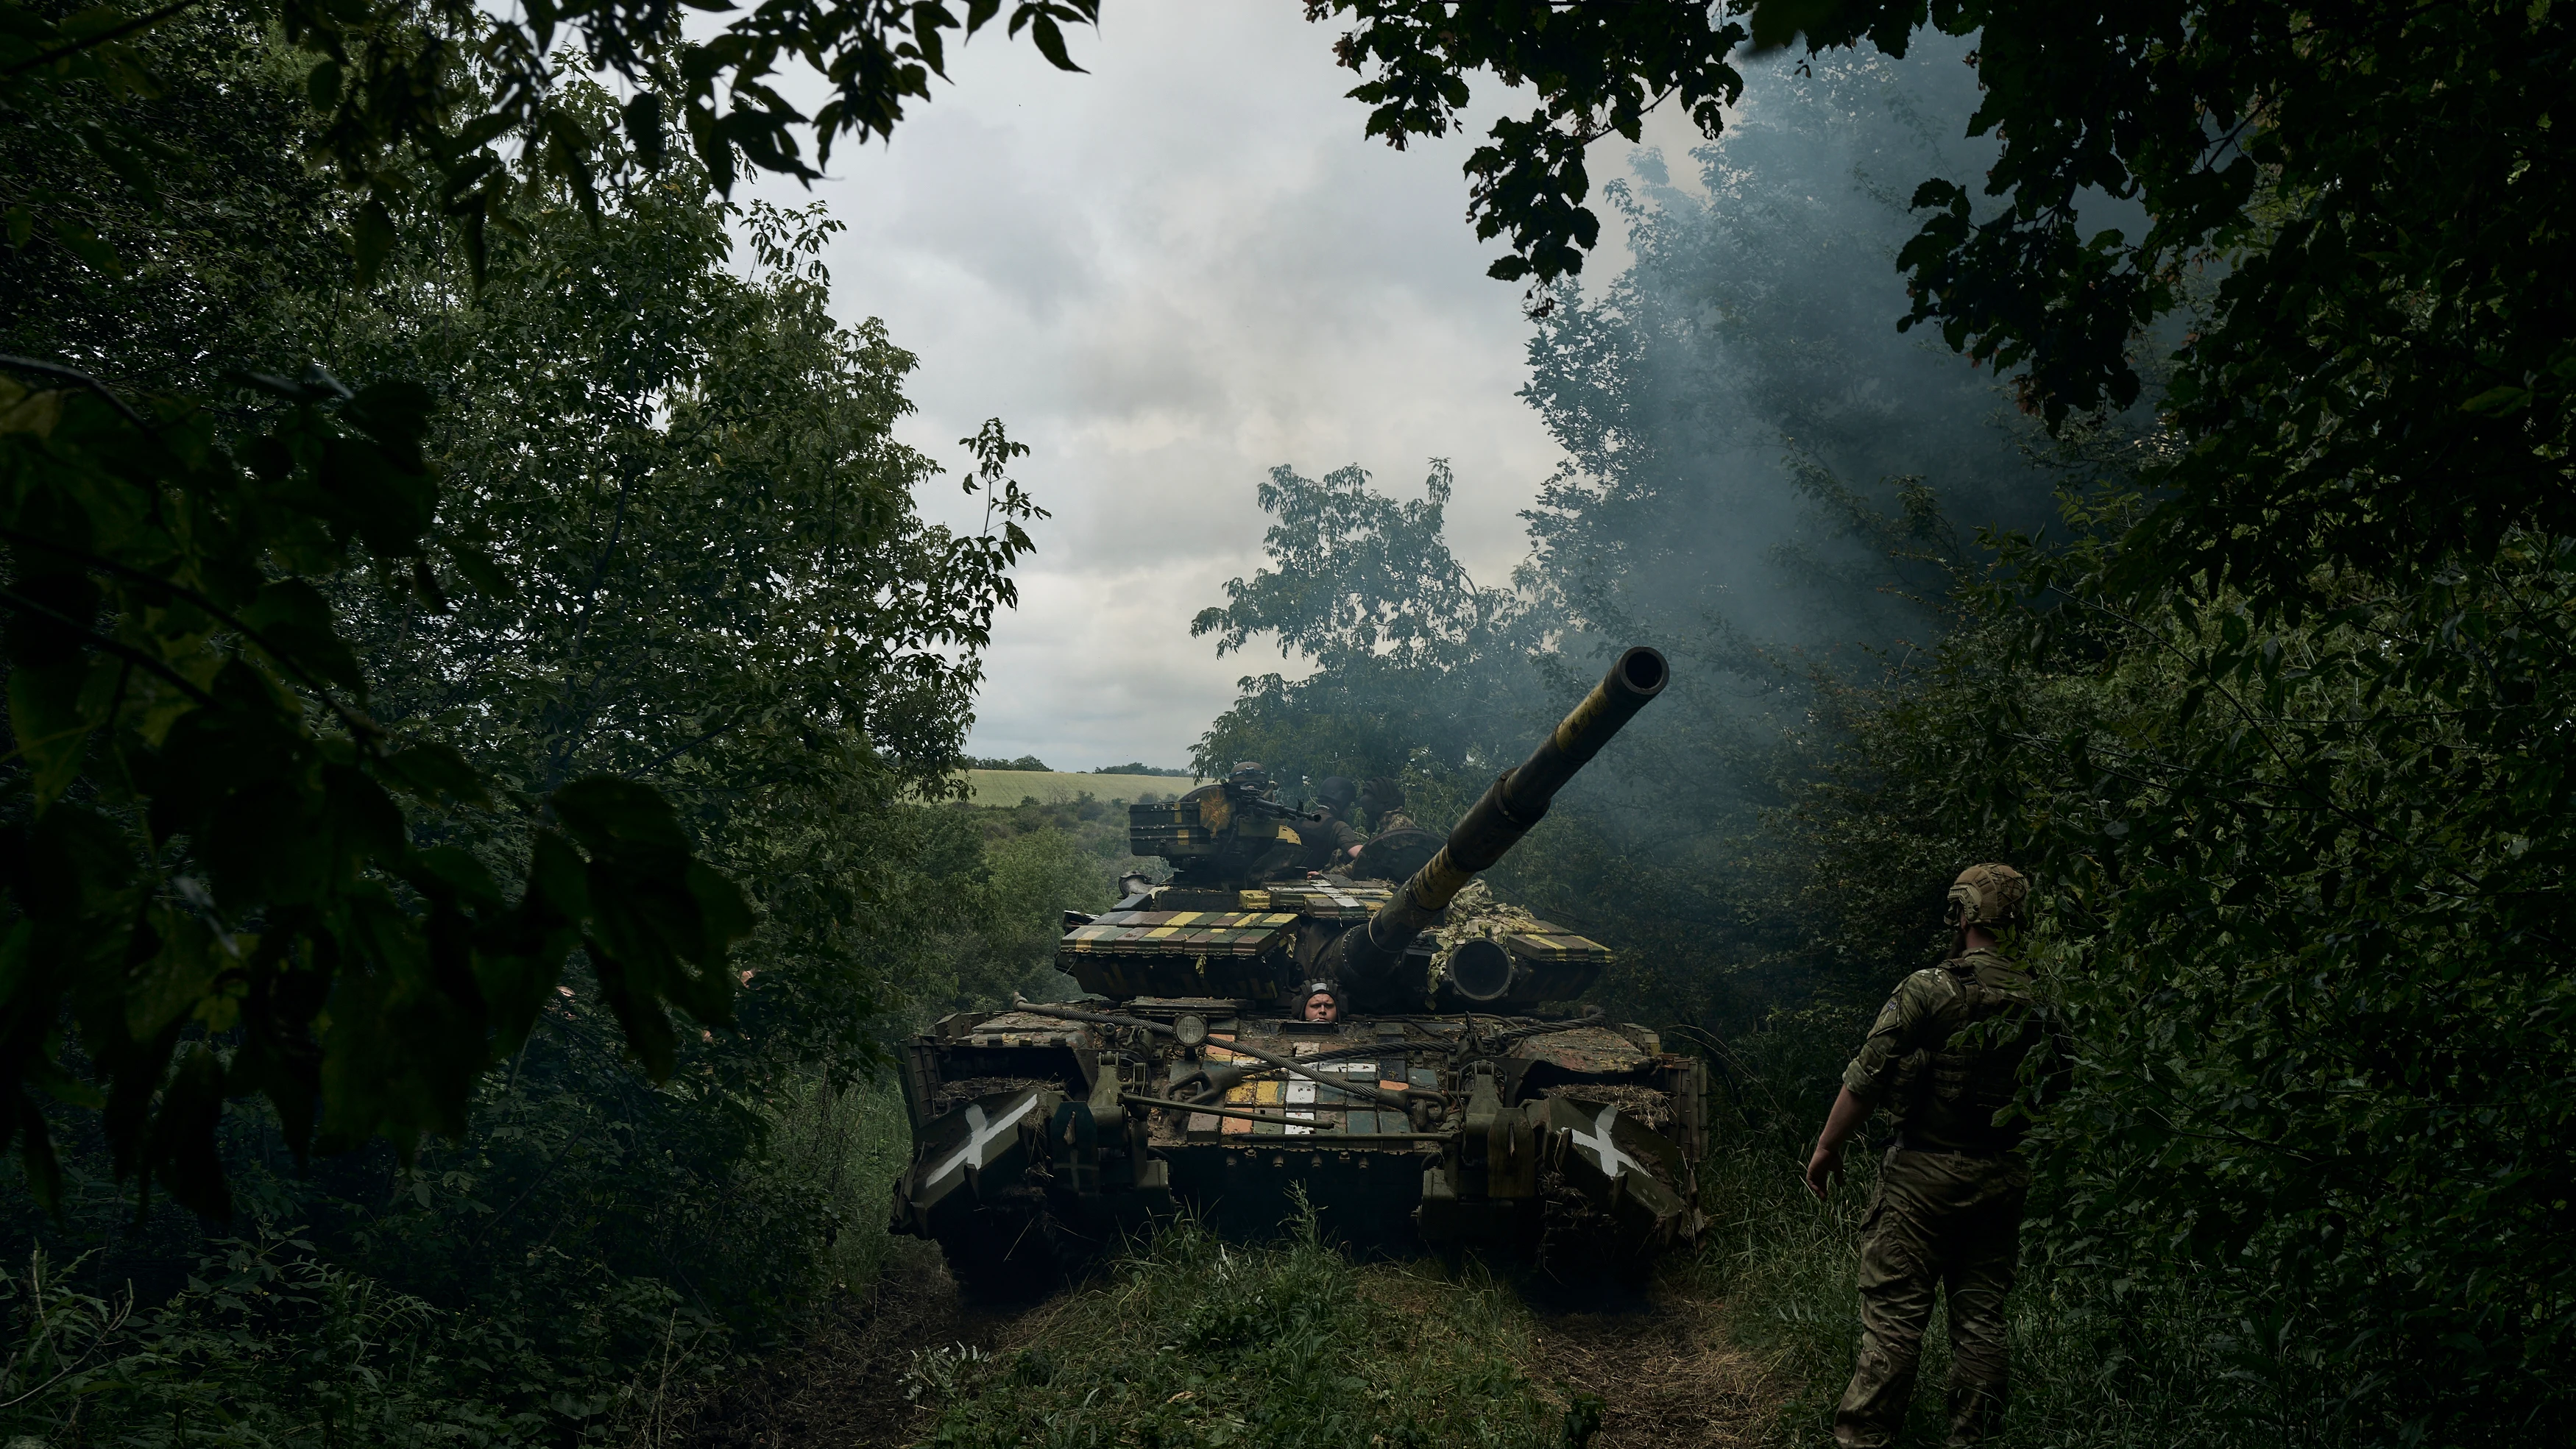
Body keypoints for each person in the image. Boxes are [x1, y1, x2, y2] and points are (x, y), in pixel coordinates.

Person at [1805, 863, 2064, 1449]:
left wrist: (1827, 1145)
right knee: (1981, 1325)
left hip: (1921, 1177)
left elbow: (1866, 1076)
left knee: (1894, 1324)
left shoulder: (1931, 987)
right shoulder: (2043, 999)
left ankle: (1865, 1440)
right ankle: (1972, 1440)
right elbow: (2060, 1085)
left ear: (1964, 913)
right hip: (2000, 1176)